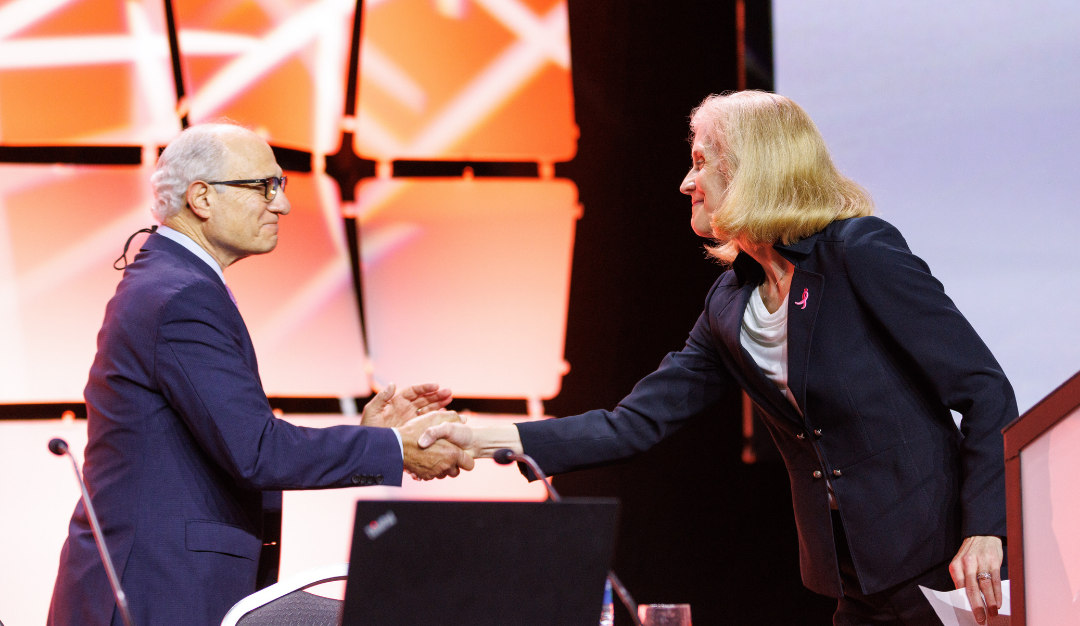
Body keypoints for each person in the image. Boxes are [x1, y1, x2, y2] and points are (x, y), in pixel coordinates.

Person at [419, 91, 1017, 626]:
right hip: (854, 573)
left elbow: (985, 389)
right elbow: (635, 423)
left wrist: (986, 528)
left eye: (701, 161)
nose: (685, 181)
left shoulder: (858, 251)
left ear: (756, 167)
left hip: (941, 563)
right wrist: (472, 437)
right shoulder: (730, 303)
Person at [48, 123, 474, 626]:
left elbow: (234, 441)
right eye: (264, 187)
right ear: (201, 198)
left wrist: (369, 439)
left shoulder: (171, 283)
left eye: (283, 186)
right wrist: (394, 449)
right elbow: (255, 452)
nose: (283, 206)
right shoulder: (182, 297)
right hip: (154, 593)